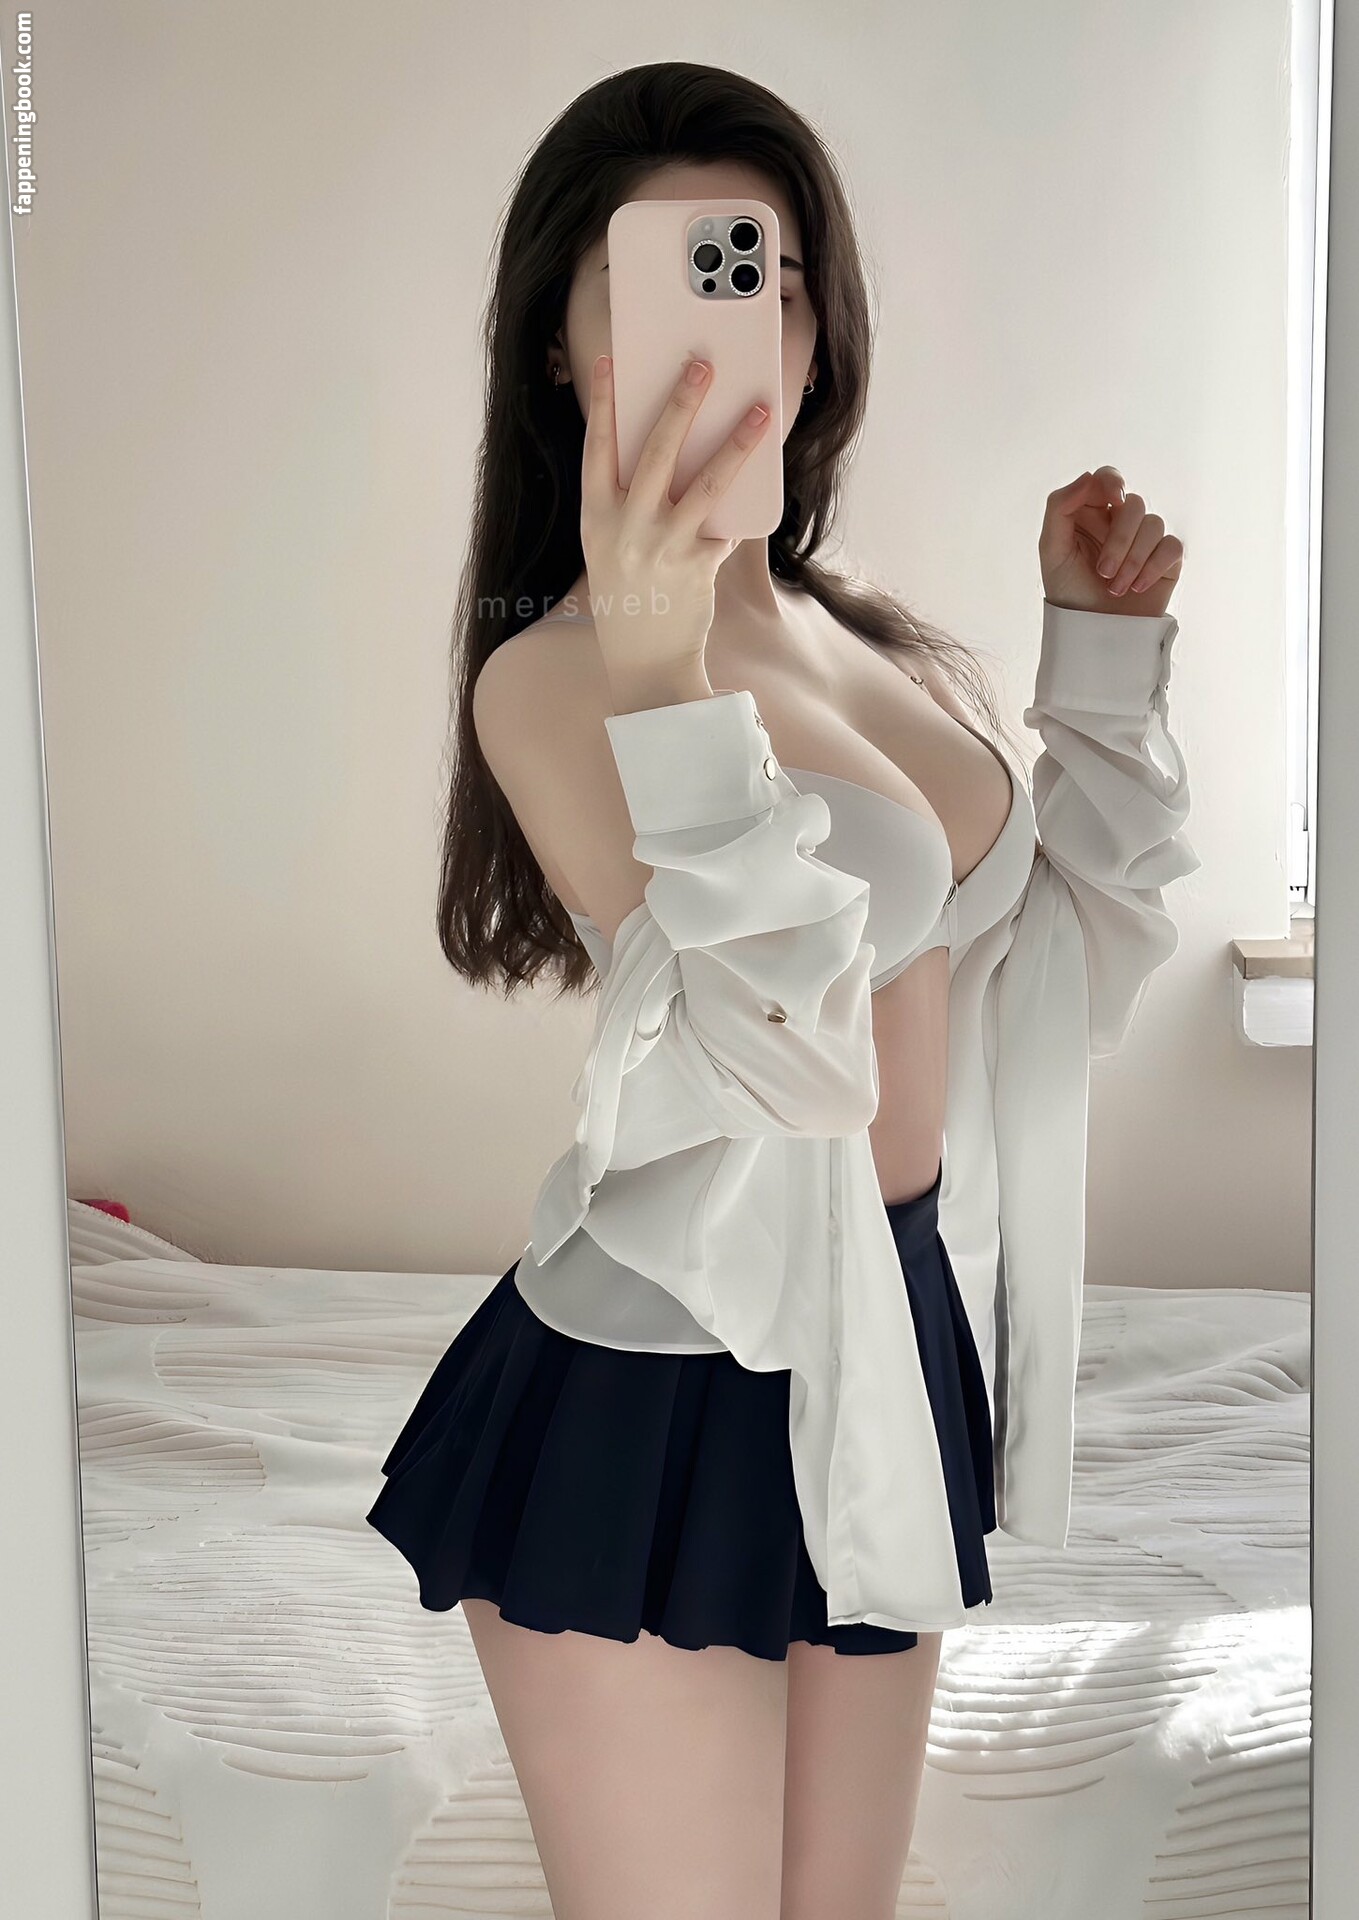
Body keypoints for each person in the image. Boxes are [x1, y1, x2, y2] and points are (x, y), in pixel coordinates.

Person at [366, 60, 1197, 1920]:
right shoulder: (554, 681)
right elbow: (782, 1058)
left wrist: (1100, 660)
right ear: (561, 343)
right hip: (663, 1380)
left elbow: (1049, 977)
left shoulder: (864, 634)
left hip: (889, 1334)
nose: (730, 334)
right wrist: (666, 684)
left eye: (773, 280)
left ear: (820, 337)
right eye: (659, 282)